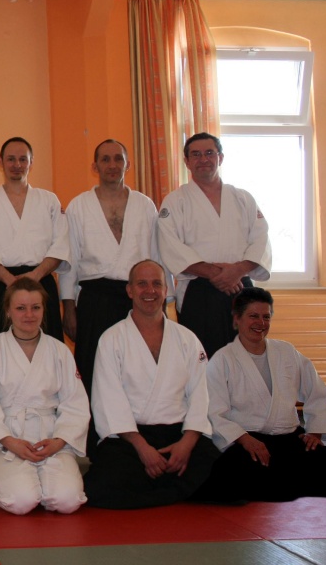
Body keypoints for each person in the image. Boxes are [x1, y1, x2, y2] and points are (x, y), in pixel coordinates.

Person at [84, 260, 219, 509]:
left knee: (223, 472)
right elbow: (109, 401)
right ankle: (177, 491)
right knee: (101, 485)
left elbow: (200, 395)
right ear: (130, 290)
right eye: (142, 284)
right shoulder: (112, 339)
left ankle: (158, 491)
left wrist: (187, 444)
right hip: (132, 438)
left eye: (157, 284)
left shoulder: (187, 339)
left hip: (178, 434)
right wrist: (143, 449)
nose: (150, 291)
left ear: (167, 290)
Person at [197, 287, 326, 503]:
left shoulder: (286, 352)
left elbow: (318, 392)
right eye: (253, 316)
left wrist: (315, 433)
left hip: (289, 438)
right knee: (233, 479)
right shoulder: (222, 360)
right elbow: (214, 412)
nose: (260, 323)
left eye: (266, 317)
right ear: (237, 319)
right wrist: (244, 440)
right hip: (250, 441)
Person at [0, 277, 89, 515]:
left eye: (35, 307)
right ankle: (24, 485)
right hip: (6, 442)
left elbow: (75, 403)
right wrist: (9, 442)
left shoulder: (59, 351)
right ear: (8, 311)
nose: (29, 315)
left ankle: (45, 483)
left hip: (50, 439)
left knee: (68, 501)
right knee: (22, 502)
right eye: (21, 308)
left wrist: (59, 441)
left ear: (44, 310)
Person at [60, 139, 161, 396]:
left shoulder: (145, 205)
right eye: (105, 159)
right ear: (95, 166)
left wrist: (159, 300)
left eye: (118, 158)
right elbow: (69, 262)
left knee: (140, 368)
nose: (112, 165)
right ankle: (96, 434)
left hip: (138, 297)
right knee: (94, 368)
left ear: (128, 164)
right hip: (95, 298)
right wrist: (69, 308)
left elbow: (156, 256)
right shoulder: (79, 206)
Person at [157, 132, 271, 357]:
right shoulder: (175, 201)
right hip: (200, 290)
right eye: (196, 154)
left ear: (220, 157)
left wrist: (236, 271)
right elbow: (169, 245)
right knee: (202, 359)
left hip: (241, 286)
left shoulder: (243, 198)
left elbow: (261, 237)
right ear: (187, 161)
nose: (203, 159)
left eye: (209, 153)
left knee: (247, 355)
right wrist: (215, 273)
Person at [0, 137, 69, 345]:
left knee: (48, 349)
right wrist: (10, 281)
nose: (17, 165)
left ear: (31, 162)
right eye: (11, 159)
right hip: (2, 283)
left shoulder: (49, 200)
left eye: (23, 159)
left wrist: (35, 275)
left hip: (41, 281)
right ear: (0, 161)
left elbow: (60, 245)